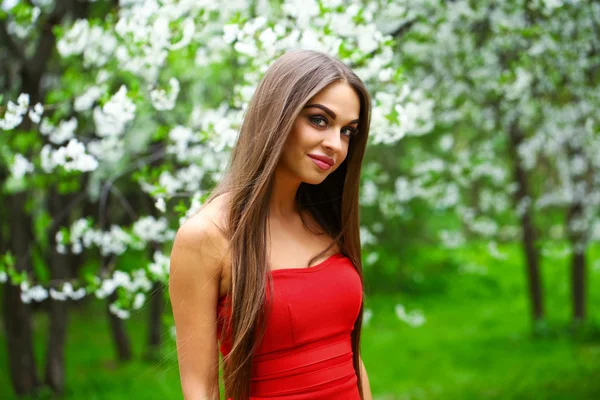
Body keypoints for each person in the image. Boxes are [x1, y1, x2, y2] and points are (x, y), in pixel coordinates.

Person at [169, 49, 373, 400]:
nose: (335, 145)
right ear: (276, 114)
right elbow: (200, 389)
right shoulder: (206, 236)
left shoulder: (324, 221)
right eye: (320, 120)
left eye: (347, 131)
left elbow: (350, 356)